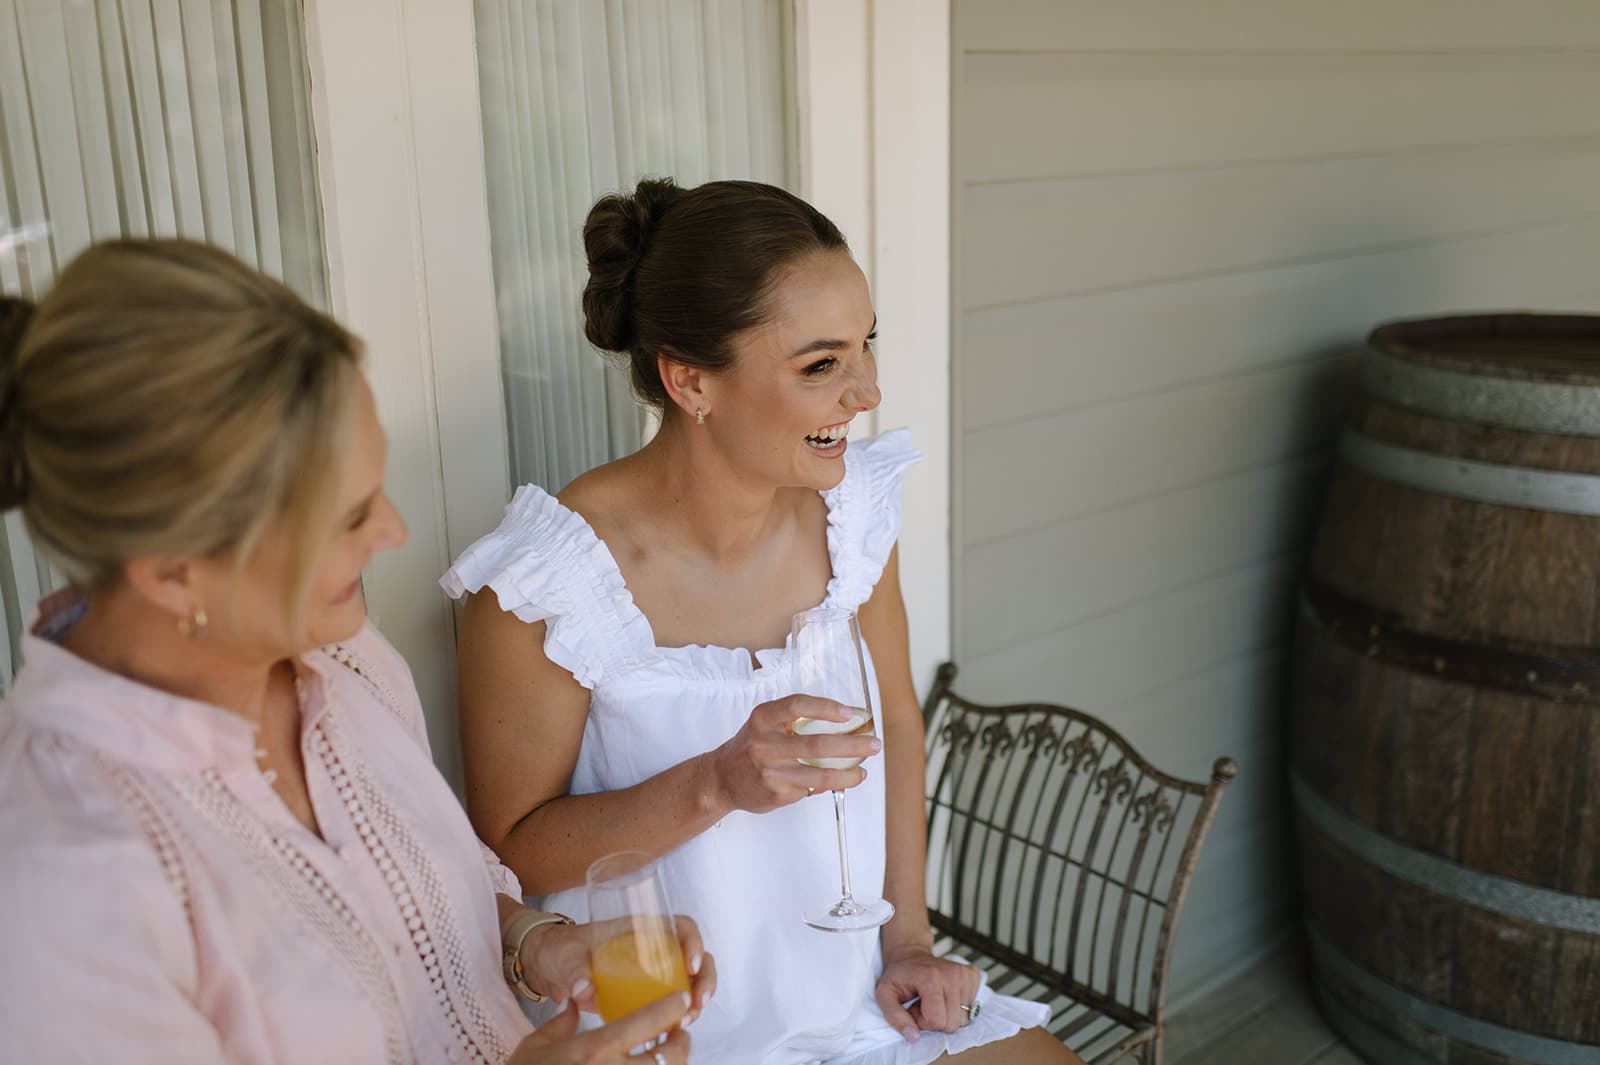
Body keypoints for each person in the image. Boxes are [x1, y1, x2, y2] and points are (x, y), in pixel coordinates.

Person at [0, 239, 714, 1065]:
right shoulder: (61, 875)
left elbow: (429, 884)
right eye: (346, 519)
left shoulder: (342, 662)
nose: (395, 533)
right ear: (172, 571)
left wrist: (540, 942)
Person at [446, 179, 1083, 1065]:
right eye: (821, 365)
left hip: (861, 994)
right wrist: (714, 783)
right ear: (690, 379)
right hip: (666, 1025)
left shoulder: (854, 515)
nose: (866, 391)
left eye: (865, 346)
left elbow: (896, 721)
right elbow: (510, 855)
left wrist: (905, 939)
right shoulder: (546, 584)